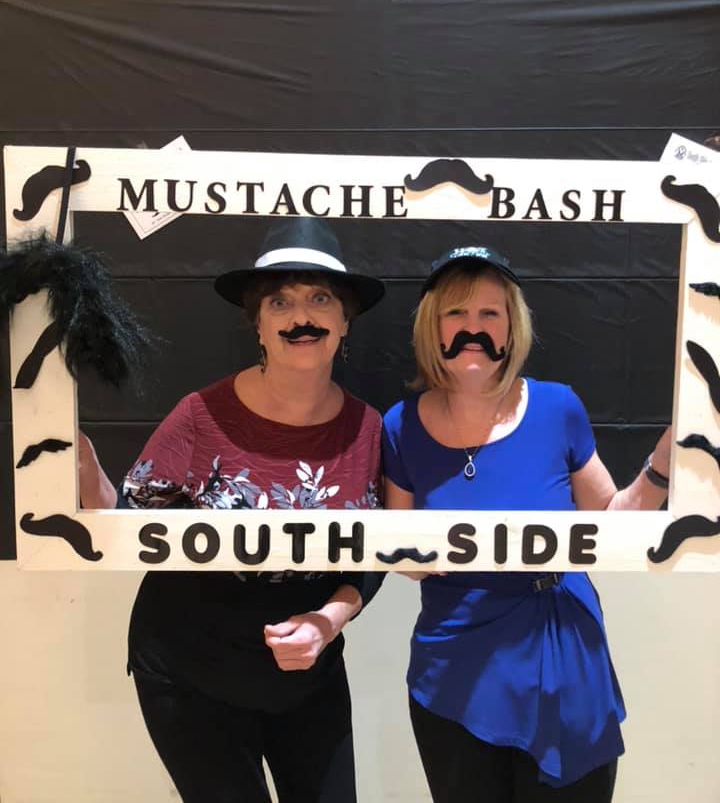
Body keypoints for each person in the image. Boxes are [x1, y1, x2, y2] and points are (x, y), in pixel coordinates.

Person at [79, 217, 386, 803]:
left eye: (321, 298)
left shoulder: (368, 429)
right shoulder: (200, 416)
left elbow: (374, 556)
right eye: (280, 301)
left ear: (345, 321)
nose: (301, 316)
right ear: (258, 325)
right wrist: (77, 461)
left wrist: (328, 621)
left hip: (308, 672)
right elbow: (129, 524)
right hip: (190, 668)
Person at [382, 244, 672, 803]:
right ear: (432, 327)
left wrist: (665, 460)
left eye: (489, 313)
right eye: (456, 313)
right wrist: (421, 557)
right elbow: (398, 552)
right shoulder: (400, 426)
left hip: (562, 657)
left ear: (512, 326)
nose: (473, 329)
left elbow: (610, 526)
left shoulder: (557, 409)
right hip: (454, 670)